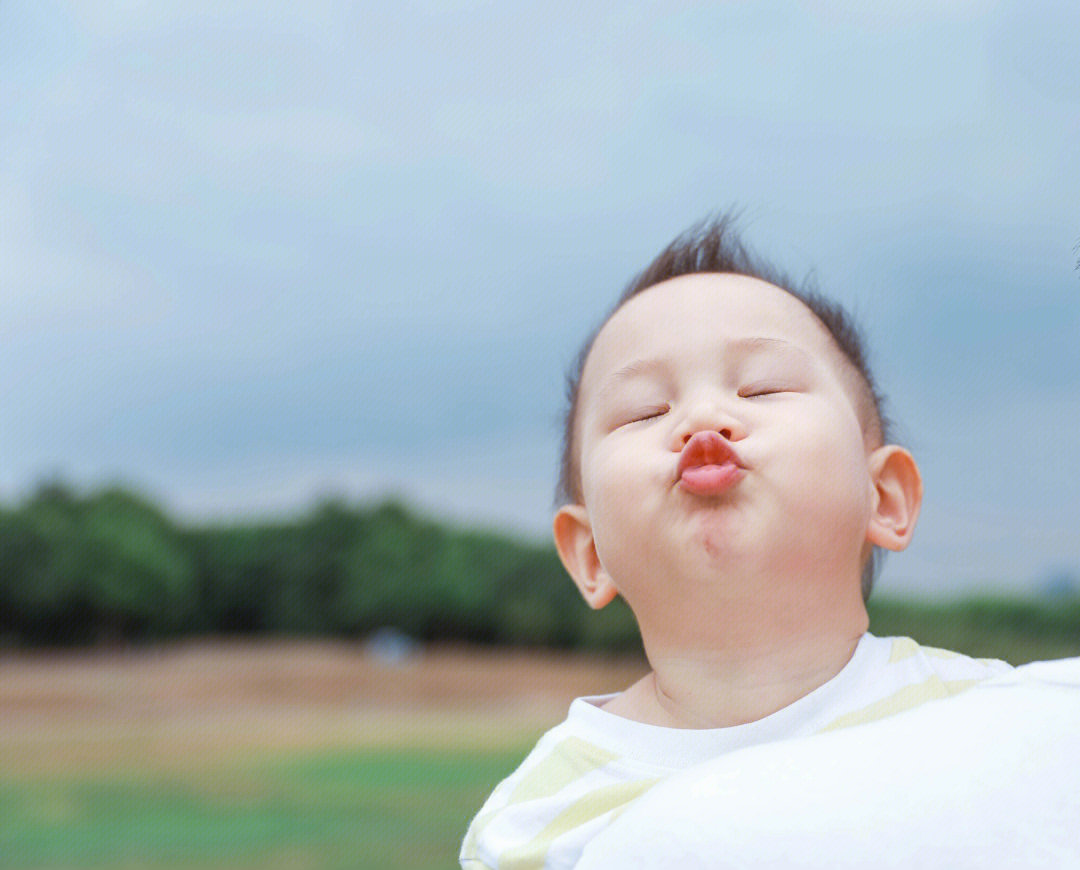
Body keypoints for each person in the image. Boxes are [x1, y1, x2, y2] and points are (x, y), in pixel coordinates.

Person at [458, 215, 1038, 869]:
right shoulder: (543, 819)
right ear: (590, 554)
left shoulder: (991, 718)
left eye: (762, 388)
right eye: (646, 411)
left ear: (885, 498)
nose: (703, 417)